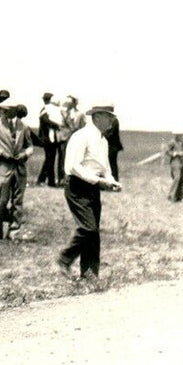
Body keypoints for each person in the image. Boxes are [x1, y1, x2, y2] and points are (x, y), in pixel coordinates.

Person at [57, 103, 122, 281]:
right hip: (77, 186)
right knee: (88, 227)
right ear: (97, 117)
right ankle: (64, 259)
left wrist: (111, 181)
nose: (112, 120)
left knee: (93, 233)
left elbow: (105, 169)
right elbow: (73, 166)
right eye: (109, 117)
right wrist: (98, 181)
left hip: (92, 188)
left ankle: (90, 275)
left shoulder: (103, 140)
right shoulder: (81, 136)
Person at [0, 99, 33, 240]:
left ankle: (14, 230)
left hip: (19, 168)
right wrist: (1, 154)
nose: (4, 112)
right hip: (2, 168)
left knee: (18, 201)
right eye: (3, 110)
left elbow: (30, 146)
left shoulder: (23, 126)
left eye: (7, 110)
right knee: (1, 200)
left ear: (14, 110)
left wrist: (25, 154)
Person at [36, 93, 65, 186]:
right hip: (48, 139)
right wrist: (57, 125)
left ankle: (42, 179)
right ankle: (50, 181)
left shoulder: (47, 109)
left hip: (50, 139)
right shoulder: (46, 109)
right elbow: (46, 121)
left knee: (49, 159)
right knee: (50, 159)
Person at [164, 132, 183, 202]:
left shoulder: (181, 143)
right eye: (179, 135)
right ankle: (170, 196)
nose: (181, 136)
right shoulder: (172, 142)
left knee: (182, 179)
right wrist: (175, 153)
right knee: (177, 178)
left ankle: (179, 197)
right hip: (175, 162)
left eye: (181, 135)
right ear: (176, 135)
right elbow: (167, 152)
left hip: (181, 162)